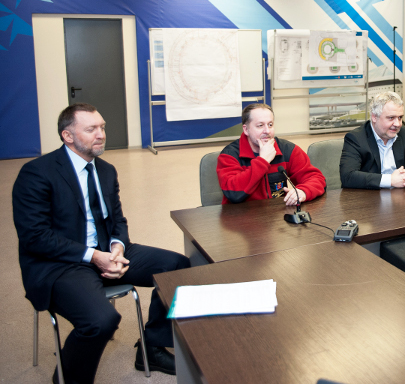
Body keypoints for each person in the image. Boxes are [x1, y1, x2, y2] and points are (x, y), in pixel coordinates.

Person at [12, 103, 191, 384]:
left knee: (178, 267)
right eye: (91, 129)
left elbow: (117, 219)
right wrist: (94, 256)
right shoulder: (37, 173)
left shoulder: (106, 170)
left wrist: (118, 247)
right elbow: (35, 237)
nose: (101, 134)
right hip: (61, 263)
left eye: (103, 127)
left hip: (106, 250)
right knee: (101, 321)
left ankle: (153, 348)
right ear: (67, 136)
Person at [217, 103, 326, 205]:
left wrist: (304, 191)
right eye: (260, 125)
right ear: (246, 130)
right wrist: (263, 160)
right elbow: (233, 193)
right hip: (240, 216)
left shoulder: (287, 149)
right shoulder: (229, 155)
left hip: (276, 214)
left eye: (270, 125)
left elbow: (317, 178)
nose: (267, 131)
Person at [339, 91, 405, 189]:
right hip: (368, 196)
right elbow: (348, 176)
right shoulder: (356, 138)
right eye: (391, 118)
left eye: (400, 117)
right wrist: (391, 180)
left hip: (400, 196)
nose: (398, 124)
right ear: (374, 117)